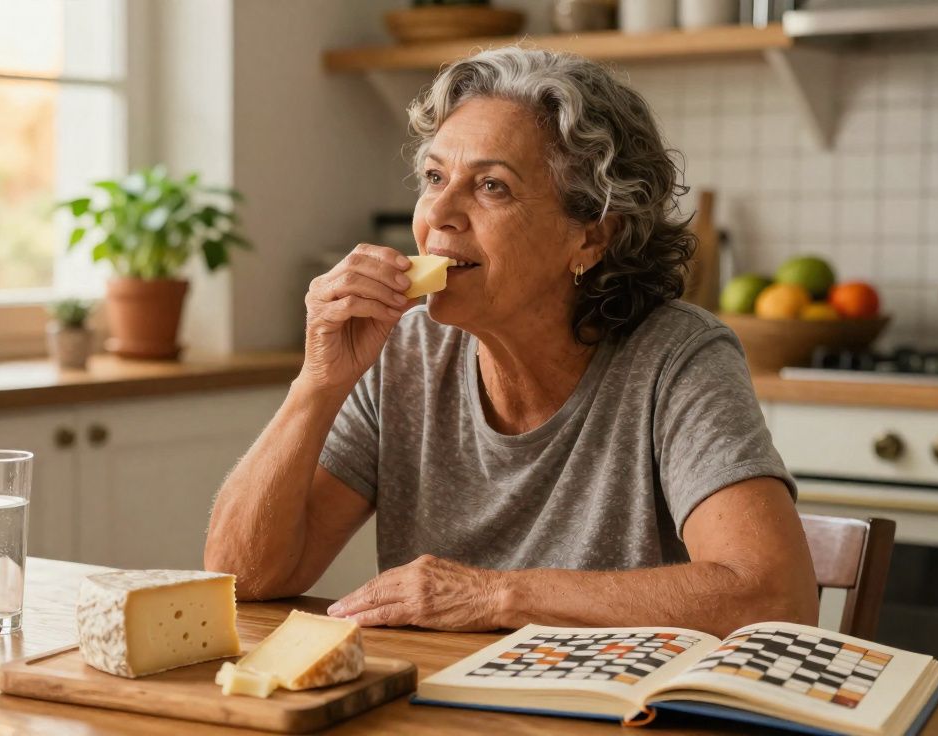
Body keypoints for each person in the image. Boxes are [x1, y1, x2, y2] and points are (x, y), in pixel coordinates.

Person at [205, 46, 818, 636]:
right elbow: (242, 579)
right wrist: (318, 380)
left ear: (591, 237)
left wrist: (494, 595)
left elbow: (773, 595)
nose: (438, 213)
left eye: (491, 185)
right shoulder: (404, 353)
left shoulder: (676, 358)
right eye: (434, 176)